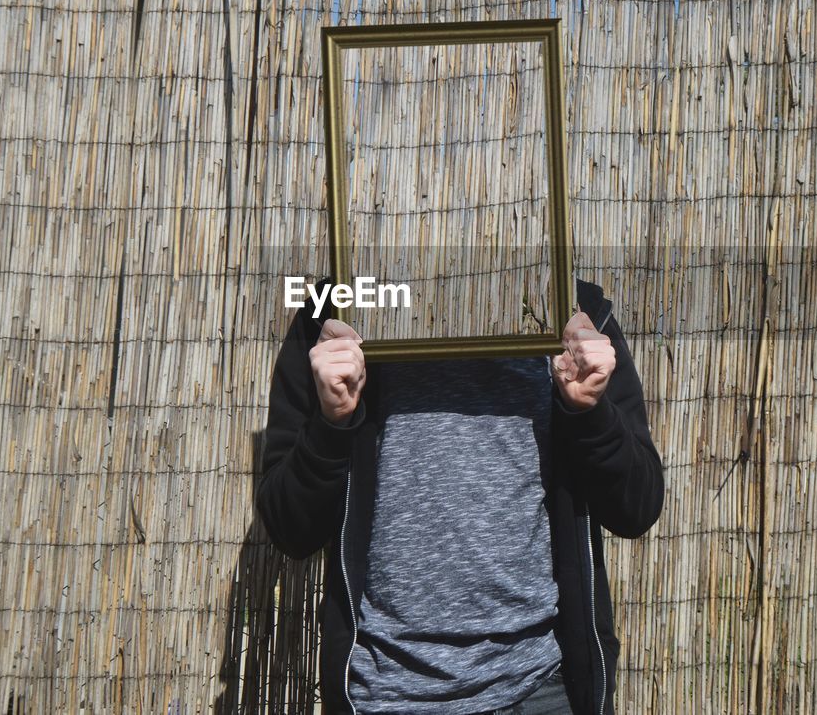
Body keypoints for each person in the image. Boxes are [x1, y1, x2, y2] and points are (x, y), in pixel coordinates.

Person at [256, 279, 665, 714]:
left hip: (537, 686)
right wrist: (331, 423)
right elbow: (289, 529)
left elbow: (636, 507)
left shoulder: (571, 312)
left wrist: (590, 412)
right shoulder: (336, 317)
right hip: (385, 691)